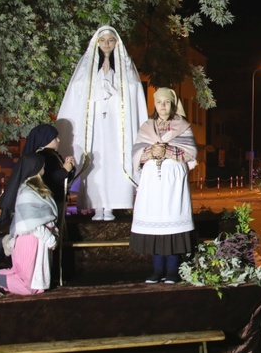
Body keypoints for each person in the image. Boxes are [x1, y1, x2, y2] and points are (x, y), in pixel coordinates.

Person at [56, 26, 148, 221]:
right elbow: (77, 91)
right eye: (103, 40)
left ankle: (112, 207)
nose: (107, 44)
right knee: (95, 163)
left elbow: (134, 91)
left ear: (116, 43)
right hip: (94, 126)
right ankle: (97, 207)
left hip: (118, 127)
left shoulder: (125, 67)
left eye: (110, 40)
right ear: (97, 43)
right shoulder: (87, 68)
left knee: (116, 162)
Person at [130, 88, 198, 284]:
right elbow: (136, 153)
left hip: (173, 182)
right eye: (159, 102)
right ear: (155, 104)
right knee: (155, 225)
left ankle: (172, 271)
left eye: (166, 102)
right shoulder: (146, 126)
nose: (163, 106)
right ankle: (157, 270)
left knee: (172, 223)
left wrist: (167, 151)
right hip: (152, 182)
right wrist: (151, 151)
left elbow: (191, 153)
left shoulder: (183, 126)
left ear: (173, 104)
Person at [0, 154, 58, 299]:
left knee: (32, 284)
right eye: (42, 164)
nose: (44, 167)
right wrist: (49, 238)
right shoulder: (27, 192)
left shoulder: (35, 189)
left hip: (35, 241)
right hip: (29, 240)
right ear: (35, 167)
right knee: (27, 286)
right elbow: (31, 224)